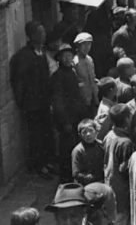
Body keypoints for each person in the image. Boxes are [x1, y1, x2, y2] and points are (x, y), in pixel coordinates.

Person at [10, 21, 53, 179]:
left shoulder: (41, 52)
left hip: (43, 102)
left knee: (45, 133)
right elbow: (19, 82)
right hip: (32, 105)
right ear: (32, 35)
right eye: (40, 32)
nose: (44, 34)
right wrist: (22, 103)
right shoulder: (24, 56)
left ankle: (46, 161)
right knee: (35, 135)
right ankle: (36, 166)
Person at [52, 43, 89, 182]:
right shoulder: (58, 76)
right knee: (66, 149)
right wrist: (65, 121)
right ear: (59, 59)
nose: (68, 59)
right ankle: (66, 179)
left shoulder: (71, 72)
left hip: (76, 117)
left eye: (70, 56)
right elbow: (58, 102)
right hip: (67, 119)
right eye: (64, 57)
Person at [103, 104, 134, 225]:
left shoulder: (109, 135)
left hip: (109, 184)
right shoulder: (125, 142)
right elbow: (124, 169)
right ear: (127, 119)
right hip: (121, 190)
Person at [71, 119, 105, 185]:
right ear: (80, 135)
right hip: (86, 185)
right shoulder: (78, 150)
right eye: (84, 132)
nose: (88, 134)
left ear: (96, 131)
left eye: (91, 130)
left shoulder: (101, 145)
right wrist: (89, 178)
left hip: (102, 182)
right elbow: (76, 173)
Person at [74, 33, 99, 117]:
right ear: (78, 46)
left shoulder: (89, 59)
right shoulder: (75, 62)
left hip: (93, 96)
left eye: (89, 44)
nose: (87, 47)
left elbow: (93, 76)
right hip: (82, 98)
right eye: (83, 44)